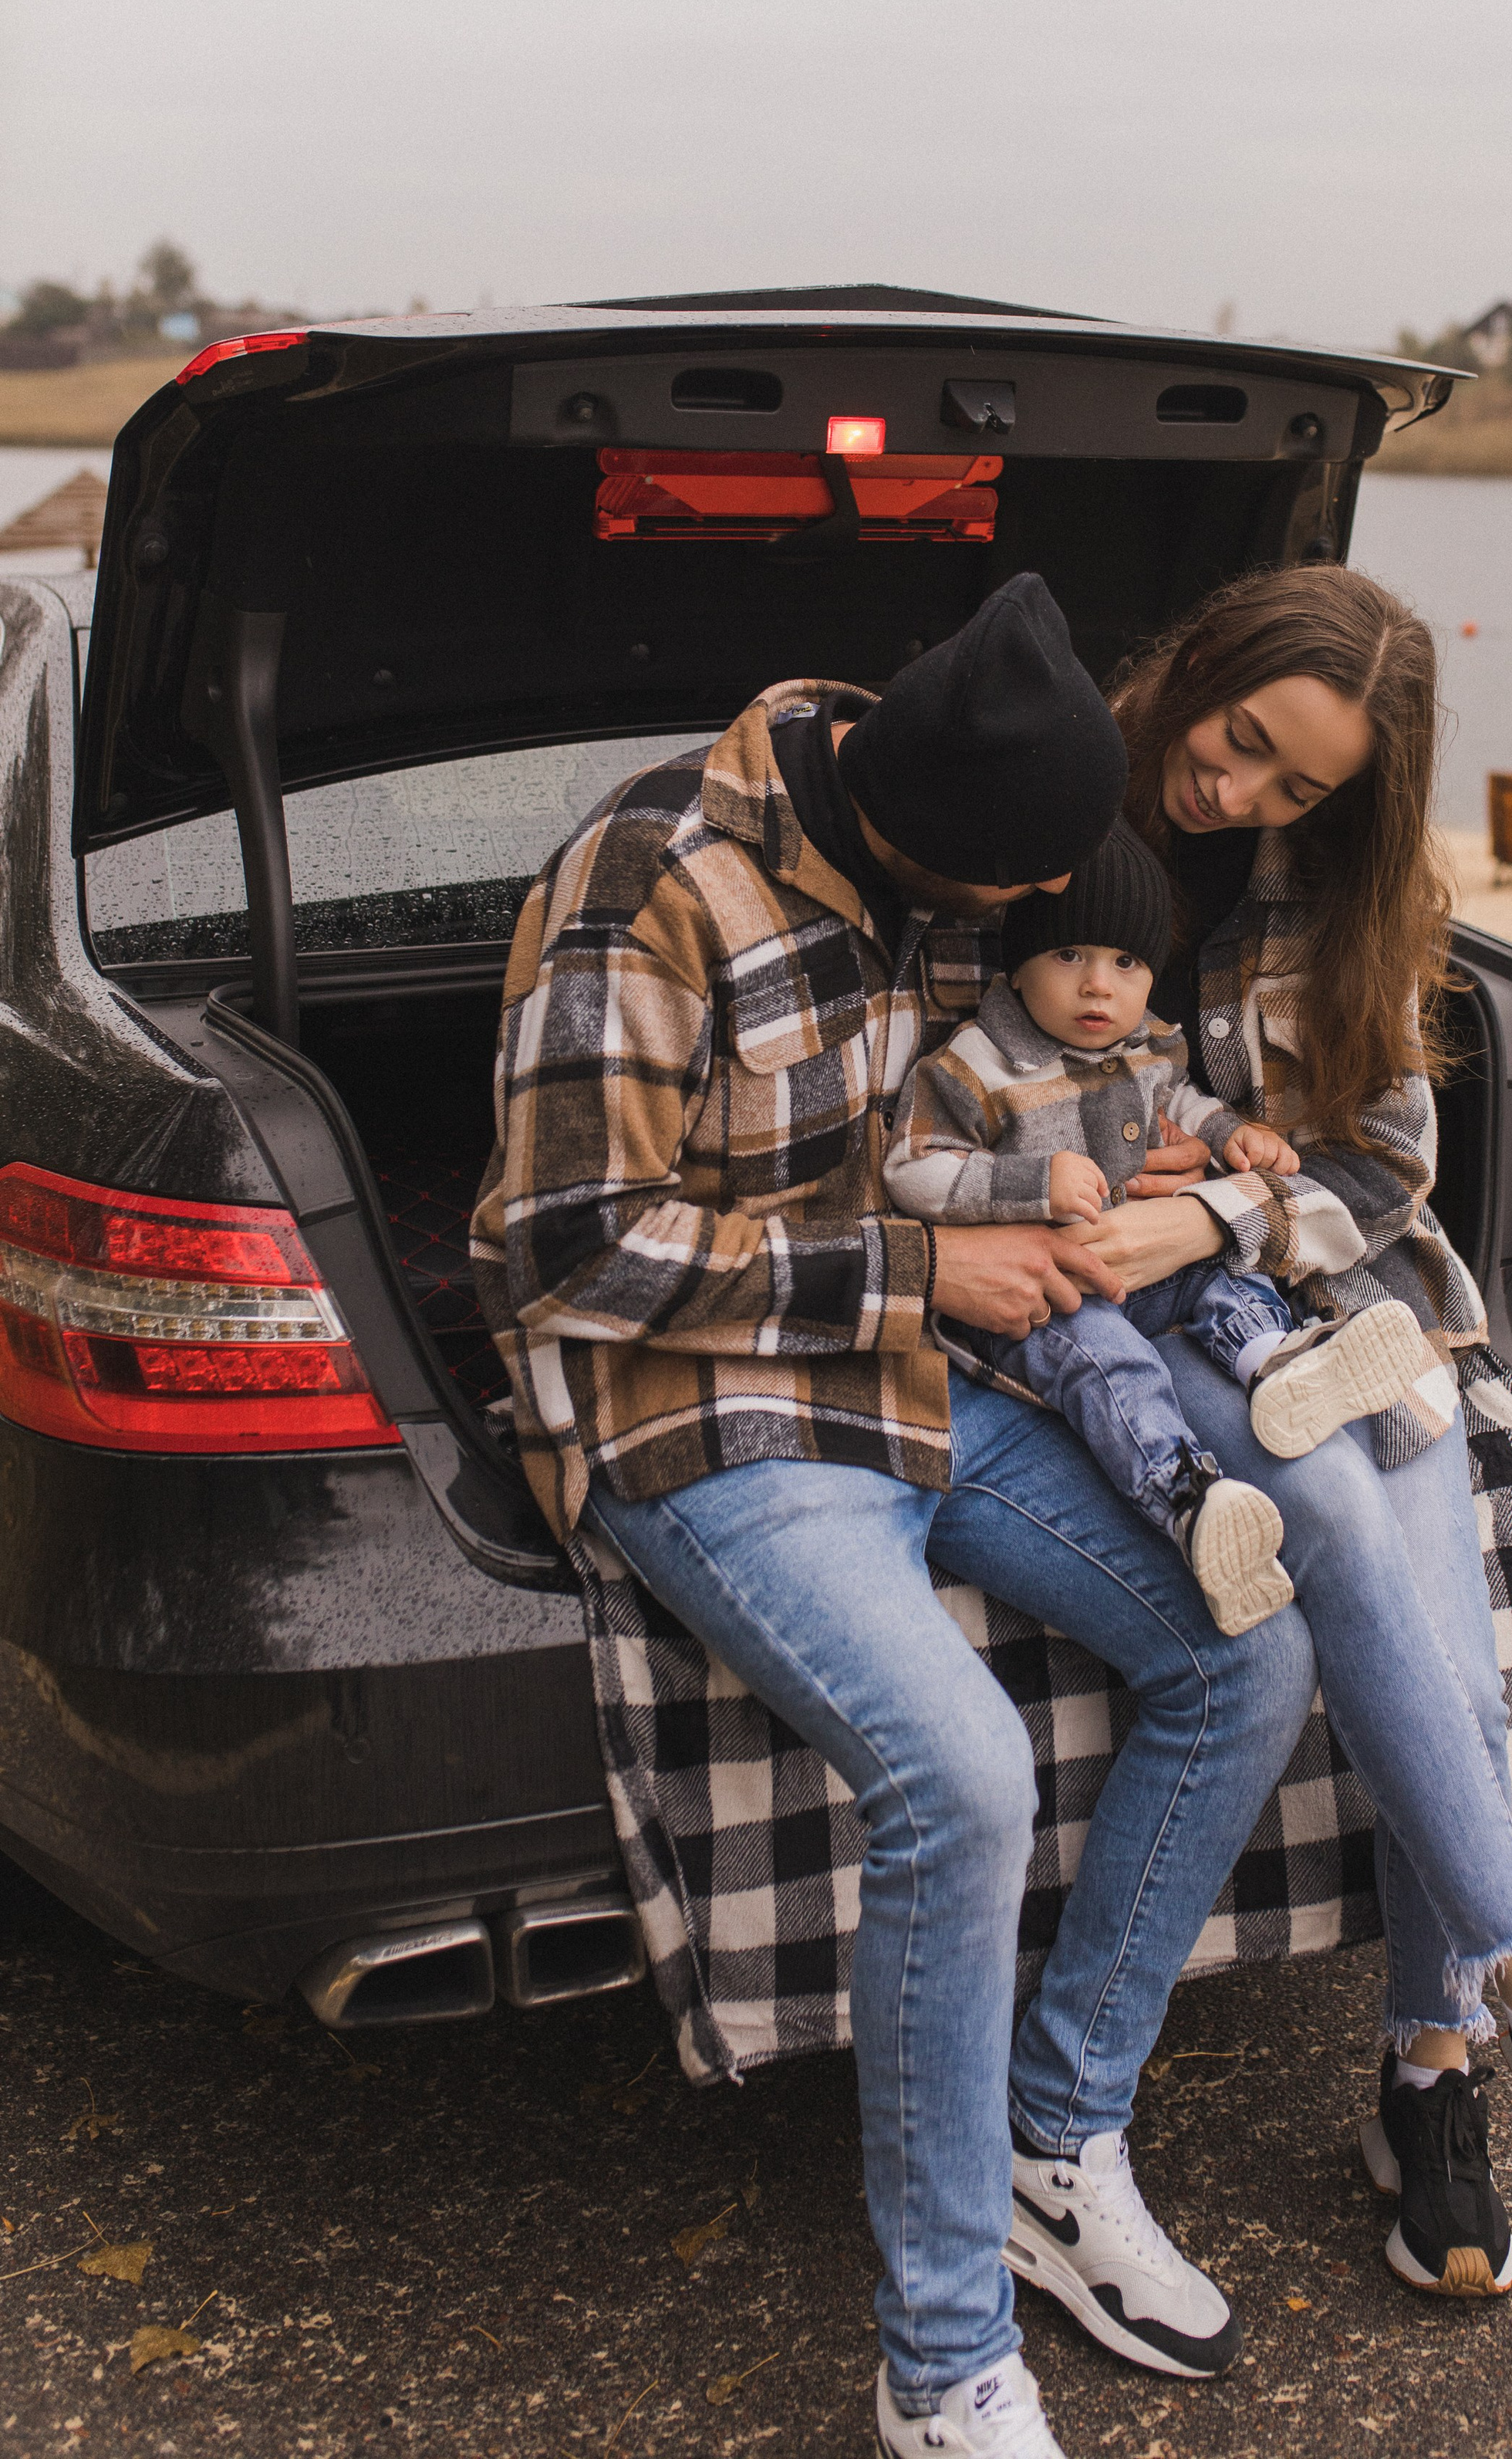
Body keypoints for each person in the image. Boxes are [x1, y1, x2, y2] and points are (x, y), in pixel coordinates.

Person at [474, 575, 1323, 2459]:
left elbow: (975, 1102)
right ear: (915, 829)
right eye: (1007, 902)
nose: (1027, 932)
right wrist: (924, 1265)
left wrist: (1138, 1165)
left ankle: (1053, 2130)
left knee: (1243, 1648)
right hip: (702, 1410)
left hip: (928, 1385)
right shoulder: (650, 883)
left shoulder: (946, 818)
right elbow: (561, 1246)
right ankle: (941, 2364)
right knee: (964, 1773)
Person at [1062, 559, 1512, 2302]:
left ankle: (1427, 2065)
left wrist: (1217, 1217)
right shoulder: (1047, 817)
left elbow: (1383, 1160)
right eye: (1233, 746)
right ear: (1195, 668)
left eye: (1297, 785)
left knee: (1441, 1620)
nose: (1241, 798)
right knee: (1348, 1523)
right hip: (1137, 1314)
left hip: (1324, 1284)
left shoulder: (1338, 886)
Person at [884, 815, 1442, 1634]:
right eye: (1068, 955)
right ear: (1021, 962)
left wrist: (1233, 1137)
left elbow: (1182, 1102)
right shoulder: (976, 1063)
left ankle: (1279, 1364)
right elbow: (912, 1166)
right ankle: (1190, 1498)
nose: (1097, 986)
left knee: (1228, 1275)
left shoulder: (1148, 1047)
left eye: (1126, 962)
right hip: (1053, 1298)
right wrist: (1027, 1183)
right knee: (1107, 1363)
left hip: (1150, 1268)